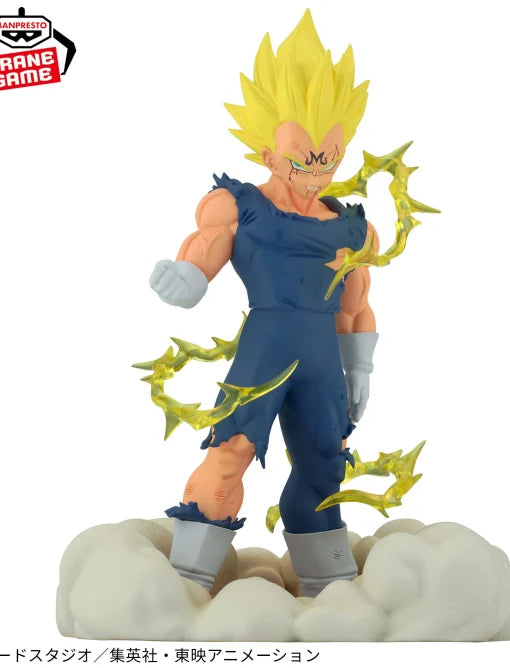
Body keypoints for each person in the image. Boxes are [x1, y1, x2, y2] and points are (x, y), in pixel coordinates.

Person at [150, 10, 379, 597]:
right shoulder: (237, 204)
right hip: (265, 348)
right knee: (231, 451)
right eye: (303, 156)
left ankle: (328, 586)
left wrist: (359, 367)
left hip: (323, 361)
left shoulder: (353, 228)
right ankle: (186, 584)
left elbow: (355, 306)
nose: (318, 170)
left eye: (330, 156)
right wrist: (186, 279)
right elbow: (203, 252)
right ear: (267, 151)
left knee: (327, 461)